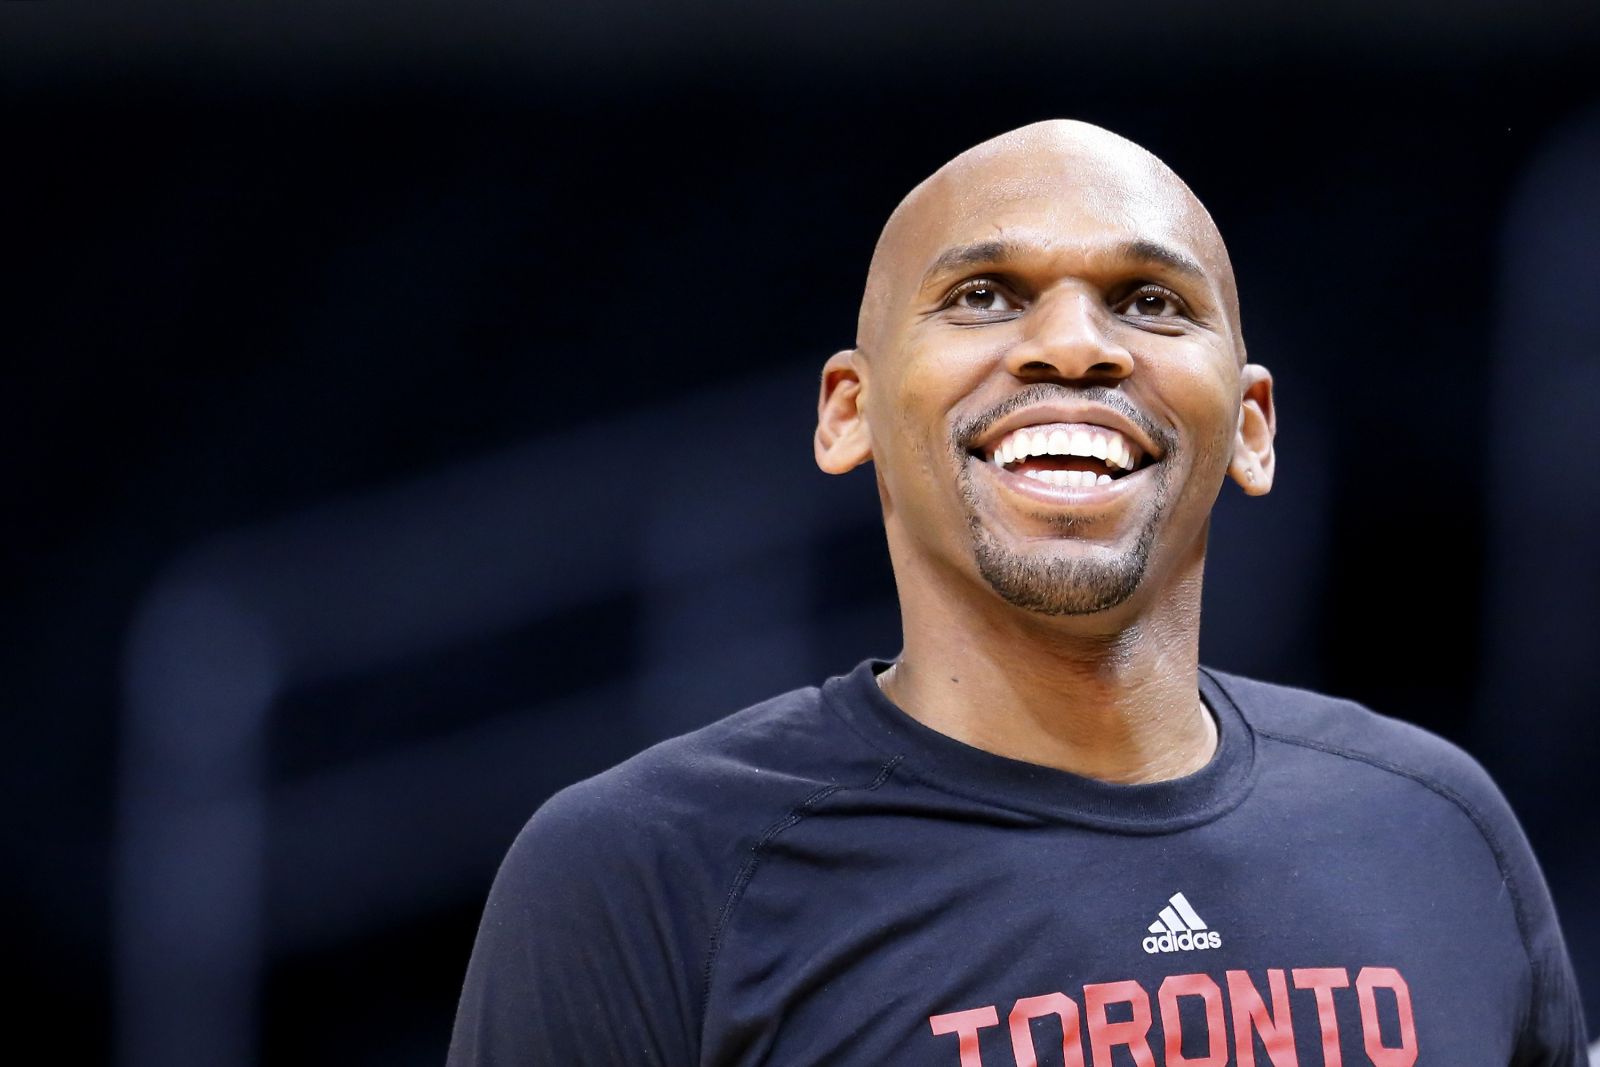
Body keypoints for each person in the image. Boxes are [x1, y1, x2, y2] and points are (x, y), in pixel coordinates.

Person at [446, 120, 1589, 1066]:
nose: (1073, 347)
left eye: (1149, 301)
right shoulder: (644, 872)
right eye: (985, 294)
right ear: (847, 410)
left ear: (1251, 426)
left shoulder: (1439, 827)